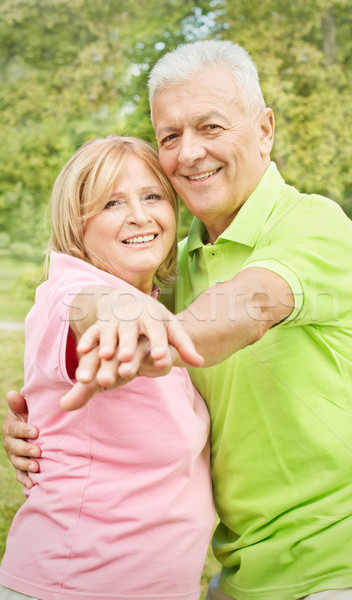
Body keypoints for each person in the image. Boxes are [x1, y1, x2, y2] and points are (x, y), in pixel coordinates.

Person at [3, 40, 352, 600]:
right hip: (241, 577)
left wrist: (145, 334)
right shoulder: (175, 264)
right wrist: (43, 426)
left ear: (264, 129)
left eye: (210, 127)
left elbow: (250, 304)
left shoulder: (313, 225)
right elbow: (81, 300)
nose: (189, 153)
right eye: (170, 136)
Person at [0, 135, 215, 600]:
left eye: (152, 196)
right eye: (113, 203)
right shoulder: (68, 293)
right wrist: (118, 311)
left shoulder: (157, 304)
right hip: (73, 585)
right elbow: (88, 308)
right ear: (76, 227)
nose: (139, 215)